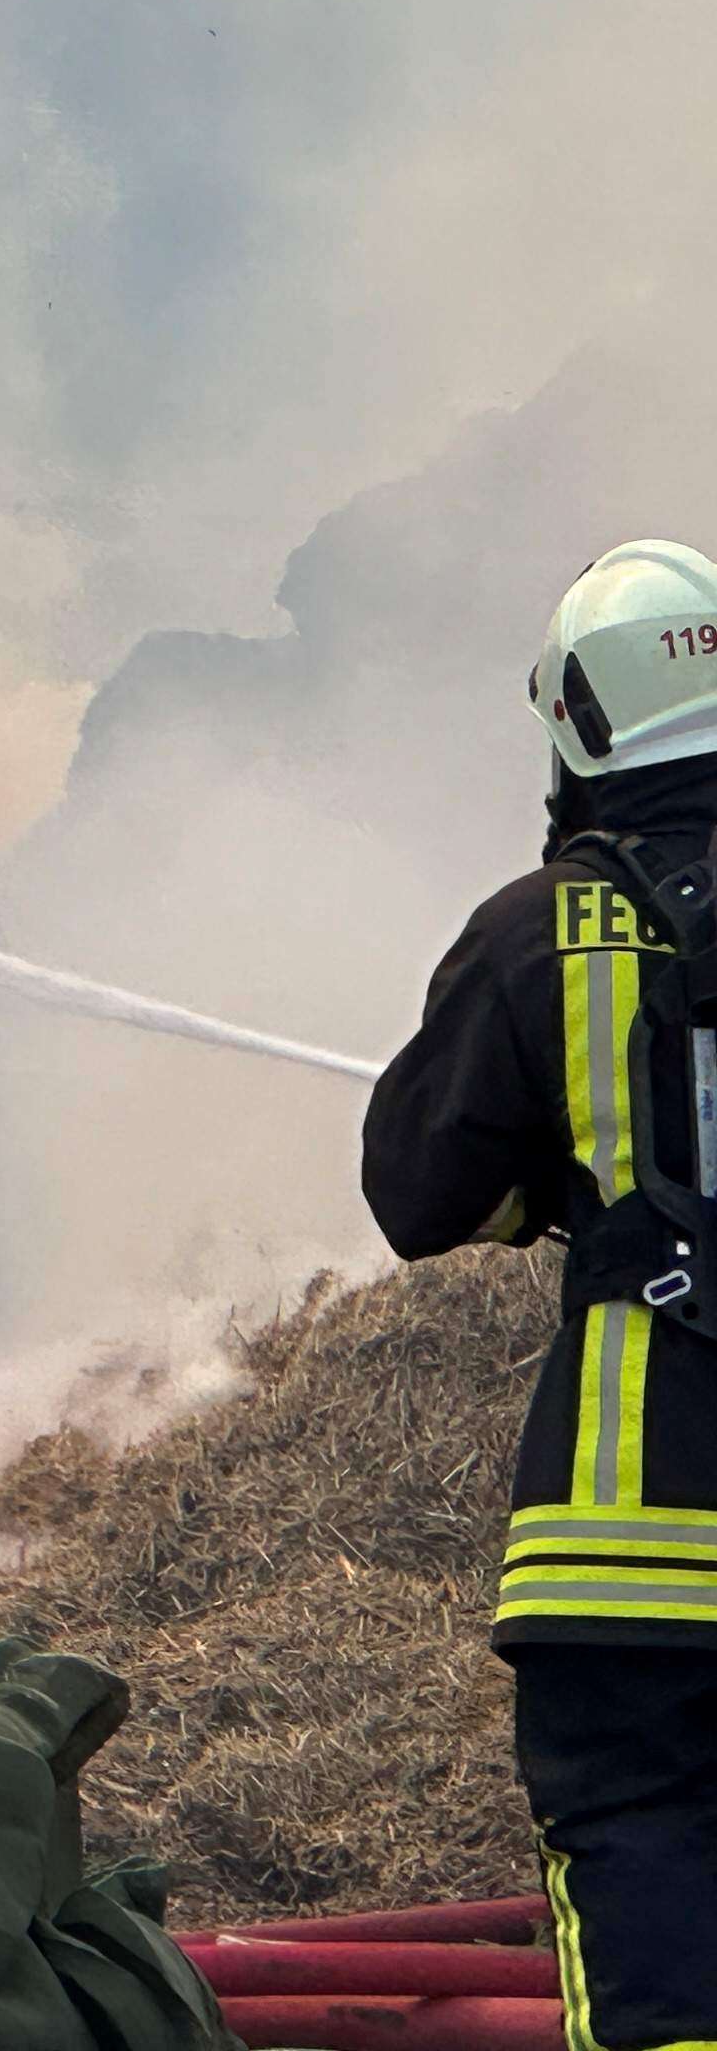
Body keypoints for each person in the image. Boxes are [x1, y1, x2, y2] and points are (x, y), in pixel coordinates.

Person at [369, 537, 717, 2051]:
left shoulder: (537, 931)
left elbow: (419, 1193)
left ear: (580, 721)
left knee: (645, 1853)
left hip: (629, 1549)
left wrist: (572, 1179)